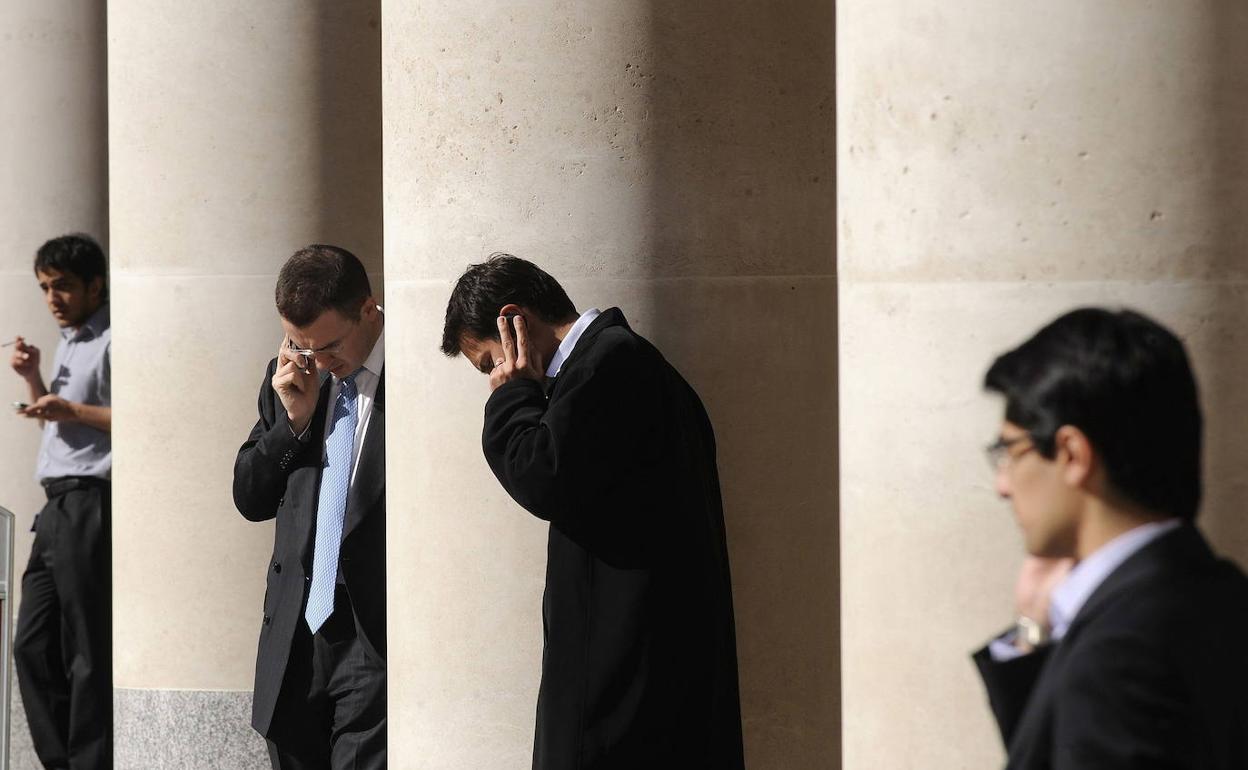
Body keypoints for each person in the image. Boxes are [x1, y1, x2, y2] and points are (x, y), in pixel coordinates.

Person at [441, 253, 744, 769]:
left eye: (489, 361)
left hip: (623, 679)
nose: (495, 376)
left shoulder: (608, 365)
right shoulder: (619, 362)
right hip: (640, 670)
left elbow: (541, 478)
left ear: (514, 321)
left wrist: (513, 396)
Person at [973, 307, 1248, 769]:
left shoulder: (1118, 656)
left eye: (1010, 451)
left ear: (1072, 454)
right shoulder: (1223, 594)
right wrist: (1032, 634)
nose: (1003, 484)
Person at [233, 245, 386, 769]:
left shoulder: (411, 380)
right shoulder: (293, 377)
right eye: (302, 347)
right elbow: (250, 499)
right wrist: (292, 425)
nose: (318, 362)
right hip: (297, 630)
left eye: (330, 346)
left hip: (371, 635)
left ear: (369, 311)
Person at [9, 234, 113, 769]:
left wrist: (69, 409)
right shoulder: (69, 340)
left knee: (86, 646)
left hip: (91, 500)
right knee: (30, 644)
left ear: (96, 285)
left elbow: (134, 417)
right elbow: (60, 417)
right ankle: (61, 762)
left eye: (64, 286)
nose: (53, 298)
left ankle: (91, 763)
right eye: (46, 288)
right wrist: (33, 380)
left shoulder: (113, 338)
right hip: (53, 509)